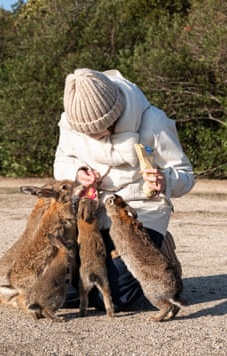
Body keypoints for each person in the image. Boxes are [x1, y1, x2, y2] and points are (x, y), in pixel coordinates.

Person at [54, 68, 195, 311]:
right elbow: (61, 163)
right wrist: (77, 173)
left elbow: (186, 175)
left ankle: (159, 248)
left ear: (116, 114)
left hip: (139, 211)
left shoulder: (153, 121)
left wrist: (165, 181)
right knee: (60, 289)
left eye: (98, 131)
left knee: (114, 298)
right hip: (94, 210)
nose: (93, 138)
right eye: (86, 134)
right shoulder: (69, 123)